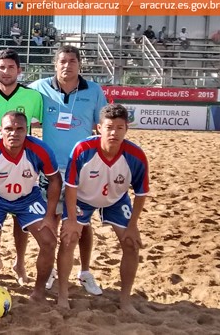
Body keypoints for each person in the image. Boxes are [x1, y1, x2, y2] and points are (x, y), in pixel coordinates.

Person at [0, 45, 108, 295]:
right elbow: (12, 86)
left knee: (82, 221)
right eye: (62, 61)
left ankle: (84, 271)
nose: (67, 65)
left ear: (79, 64)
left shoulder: (93, 90)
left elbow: (103, 124)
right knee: (50, 218)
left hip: (81, 166)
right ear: (55, 64)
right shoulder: (40, 88)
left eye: (72, 61)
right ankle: (49, 270)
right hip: (47, 168)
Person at [57, 104, 149, 314]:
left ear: (127, 129)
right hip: (82, 198)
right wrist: (71, 220)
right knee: (68, 238)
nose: (114, 132)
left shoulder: (136, 155)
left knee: (131, 243)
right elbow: (70, 187)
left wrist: (133, 225)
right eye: (109, 127)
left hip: (116, 200)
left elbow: (141, 193)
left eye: (119, 127)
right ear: (99, 128)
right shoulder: (83, 149)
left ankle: (125, 301)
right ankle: (63, 296)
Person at [0, 111, 60, 304]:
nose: (14, 133)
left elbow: (55, 179)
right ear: (0, 130)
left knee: (49, 241)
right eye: (8, 128)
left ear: (27, 131)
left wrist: (50, 215)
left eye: (19, 129)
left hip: (28, 198)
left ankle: (39, 292)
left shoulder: (40, 149)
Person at [0, 49, 43, 283]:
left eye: (11, 67)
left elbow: (40, 125)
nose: (6, 71)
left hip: (23, 163)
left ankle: (20, 262)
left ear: (19, 70)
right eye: (1, 67)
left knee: (19, 216)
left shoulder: (33, 97)